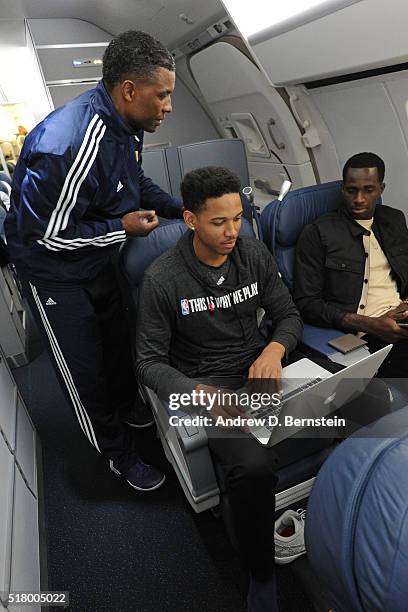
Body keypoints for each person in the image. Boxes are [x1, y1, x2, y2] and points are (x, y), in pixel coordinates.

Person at [5, 30, 183, 491]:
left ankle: (130, 409)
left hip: (97, 259)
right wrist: (120, 230)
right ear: (129, 90)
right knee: (83, 371)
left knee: (117, 346)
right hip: (54, 274)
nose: (168, 106)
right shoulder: (65, 144)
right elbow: (46, 237)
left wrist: (179, 208)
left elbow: (133, 181)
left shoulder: (126, 128)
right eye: (162, 95)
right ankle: (116, 456)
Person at [135, 166, 303, 611]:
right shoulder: (163, 278)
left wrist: (273, 351)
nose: (233, 231)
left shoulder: (253, 255)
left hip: (261, 370)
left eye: (239, 218)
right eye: (219, 222)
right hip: (212, 388)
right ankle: (260, 571)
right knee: (251, 467)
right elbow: (148, 363)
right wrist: (200, 395)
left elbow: (288, 314)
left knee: (353, 405)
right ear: (190, 220)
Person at [294, 152, 408, 378]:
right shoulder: (318, 233)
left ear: (381, 189)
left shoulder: (394, 220)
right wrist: (370, 324)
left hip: (401, 318)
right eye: (351, 190)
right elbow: (307, 304)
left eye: (368, 190)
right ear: (343, 190)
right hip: (367, 335)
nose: (359, 199)